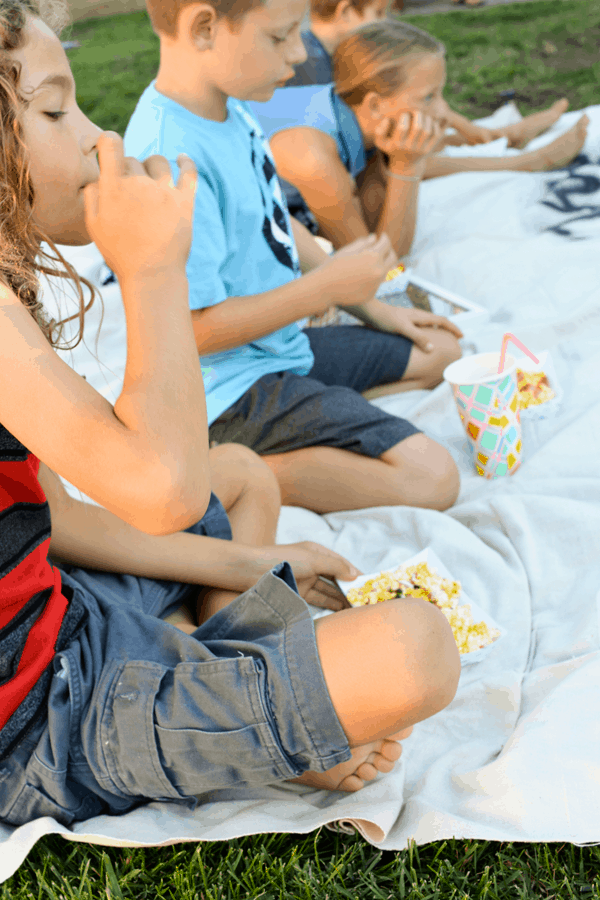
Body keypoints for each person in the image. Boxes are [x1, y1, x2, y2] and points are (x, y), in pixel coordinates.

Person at [0, 0, 461, 828]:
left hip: (61, 608)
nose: (99, 138)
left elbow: (52, 515)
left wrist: (246, 566)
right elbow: (163, 492)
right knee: (414, 649)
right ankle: (242, 704)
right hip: (37, 719)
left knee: (242, 473)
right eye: (56, 109)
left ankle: (205, 650)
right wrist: (153, 273)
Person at [124, 0, 464, 518]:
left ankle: (314, 431)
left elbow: (276, 222)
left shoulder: (231, 107)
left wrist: (377, 307)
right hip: (228, 391)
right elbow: (189, 333)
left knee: (442, 350)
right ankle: (235, 470)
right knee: (434, 478)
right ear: (205, 28)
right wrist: (327, 289)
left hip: (279, 347)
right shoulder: (170, 156)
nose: (300, 53)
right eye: (281, 36)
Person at [251, 19, 588, 256]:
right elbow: (382, 263)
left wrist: (402, 164)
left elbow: (381, 230)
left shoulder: (349, 111)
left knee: (399, 156)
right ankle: (522, 156)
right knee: (401, 161)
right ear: (375, 104)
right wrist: (405, 167)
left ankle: (516, 151)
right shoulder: (313, 155)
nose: (443, 112)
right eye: (429, 98)